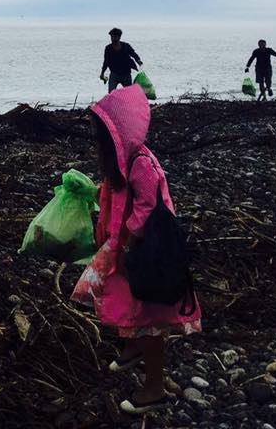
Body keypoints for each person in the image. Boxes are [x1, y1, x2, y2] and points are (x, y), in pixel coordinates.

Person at [72, 85, 201, 415]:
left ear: (120, 133)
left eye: (103, 133)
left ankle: (154, 388)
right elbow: (114, 199)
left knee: (149, 319)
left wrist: (127, 241)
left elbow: (147, 204)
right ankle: (132, 348)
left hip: (145, 254)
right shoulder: (121, 161)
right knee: (119, 303)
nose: (97, 139)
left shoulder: (141, 163)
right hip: (123, 248)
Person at [100, 28, 143, 92]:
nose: (113, 38)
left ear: (119, 37)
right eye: (111, 36)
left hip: (126, 74)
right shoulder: (108, 48)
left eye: (115, 36)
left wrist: (138, 61)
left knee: (129, 94)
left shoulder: (126, 46)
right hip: (114, 74)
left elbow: (133, 54)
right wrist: (102, 73)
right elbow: (106, 62)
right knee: (111, 94)